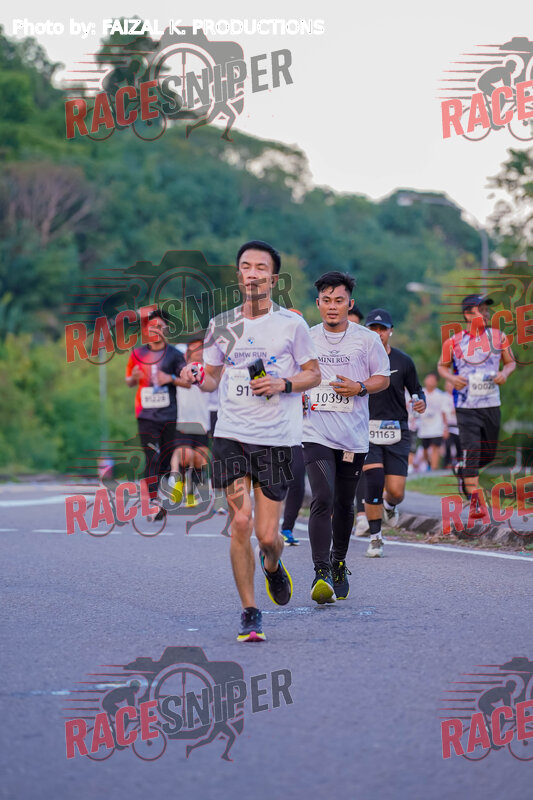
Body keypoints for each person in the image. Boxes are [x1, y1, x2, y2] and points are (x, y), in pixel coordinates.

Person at [180, 240, 321, 642]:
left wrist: (283, 383)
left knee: (267, 537)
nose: (253, 273)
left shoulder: (292, 325)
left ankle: (272, 565)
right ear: (239, 274)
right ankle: (249, 611)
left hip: (276, 441)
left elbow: (314, 373)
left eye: (261, 267)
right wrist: (195, 375)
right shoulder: (221, 325)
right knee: (240, 522)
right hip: (232, 435)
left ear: (273, 279)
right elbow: (212, 378)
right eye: (246, 266)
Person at [302, 272, 390, 603]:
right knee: (322, 496)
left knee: (343, 503)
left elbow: (383, 377)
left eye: (339, 300)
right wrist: (297, 393)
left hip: (352, 436)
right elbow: (294, 374)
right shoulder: (306, 337)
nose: (332, 306)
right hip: (315, 431)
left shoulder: (366, 339)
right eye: (326, 300)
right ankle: (321, 571)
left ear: (349, 303)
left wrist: (360, 387)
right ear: (318, 303)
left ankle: (338, 562)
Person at [359, 309, 426, 557]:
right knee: (374, 481)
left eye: (382, 329)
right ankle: (376, 538)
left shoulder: (403, 361)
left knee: (396, 492)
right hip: (366, 429)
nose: (378, 334)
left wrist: (420, 401)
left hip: (397, 429)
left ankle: (389, 505)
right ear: (366, 331)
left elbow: (417, 390)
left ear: (390, 331)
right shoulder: (359, 360)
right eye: (373, 329)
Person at [438, 293, 516, 500]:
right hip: (466, 406)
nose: (486, 313)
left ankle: (463, 468)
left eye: (486, 309)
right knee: (471, 449)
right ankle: (476, 502)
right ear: (468, 314)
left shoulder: (499, 337)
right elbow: (442, 366)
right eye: (481, 310)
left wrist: (504, 373)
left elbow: (510, 362)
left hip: (491, 403)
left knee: (488, 454)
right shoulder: (453, 342)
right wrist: (452, 378)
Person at [125, 309, 187, 521]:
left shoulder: (175, 355)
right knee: (151, 457)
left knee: (166, 460)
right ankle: (153, 501)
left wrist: (170, 378)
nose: (156, 331)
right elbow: (129, 381)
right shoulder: (137, 354)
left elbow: (187, 382)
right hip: (145, 415)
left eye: (160, 327)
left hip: (169, 415)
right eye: (152, 327)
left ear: (166, 329)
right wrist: (133, 378)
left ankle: (162, 494)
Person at [171, 337, 211, 507]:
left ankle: (191, 494)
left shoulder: (209, 368)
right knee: (186, 456)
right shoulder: (181, 368)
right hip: (184, 419)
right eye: (194, 348)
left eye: (200, 348)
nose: (198, 351)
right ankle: (179, 483)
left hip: (203, 420)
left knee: (200, 460)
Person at [417, 373, 448, 471]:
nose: (430, 381)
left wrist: (445, 427)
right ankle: (428, 464)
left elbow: (444, 412)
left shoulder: (440, 395)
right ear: (425, 380)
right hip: (424, 427)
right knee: (425, 449)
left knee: (435, 447)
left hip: (437, 427)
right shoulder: (420, 394)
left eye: (433, 380)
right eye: (429, 379)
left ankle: (434, 469)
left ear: (436, 383)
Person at [443, 379, 462, 469]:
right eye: (448, 385)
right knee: (448, 445)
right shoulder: (444, 397)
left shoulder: (459, 396)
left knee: (459, 445)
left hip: (459, 424)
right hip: (449, 425)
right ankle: (447, 464)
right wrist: (445, 427)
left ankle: (459, 463)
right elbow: (443, 413)